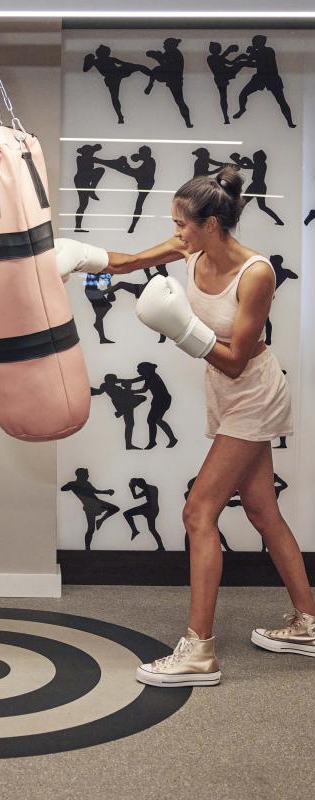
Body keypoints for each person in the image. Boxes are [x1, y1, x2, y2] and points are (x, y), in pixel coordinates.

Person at [55, 164, 315, 686]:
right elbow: (130, 262)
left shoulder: (256, 273)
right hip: (225, 394)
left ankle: (199, 651)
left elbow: (238, 360)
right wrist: (78, 257)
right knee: (263, 508)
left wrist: (181, 329)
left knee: (198, 511)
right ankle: (310, 623)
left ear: (212, 224)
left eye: (182, 224)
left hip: (254, 391)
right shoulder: (191, 249)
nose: (176, 233)